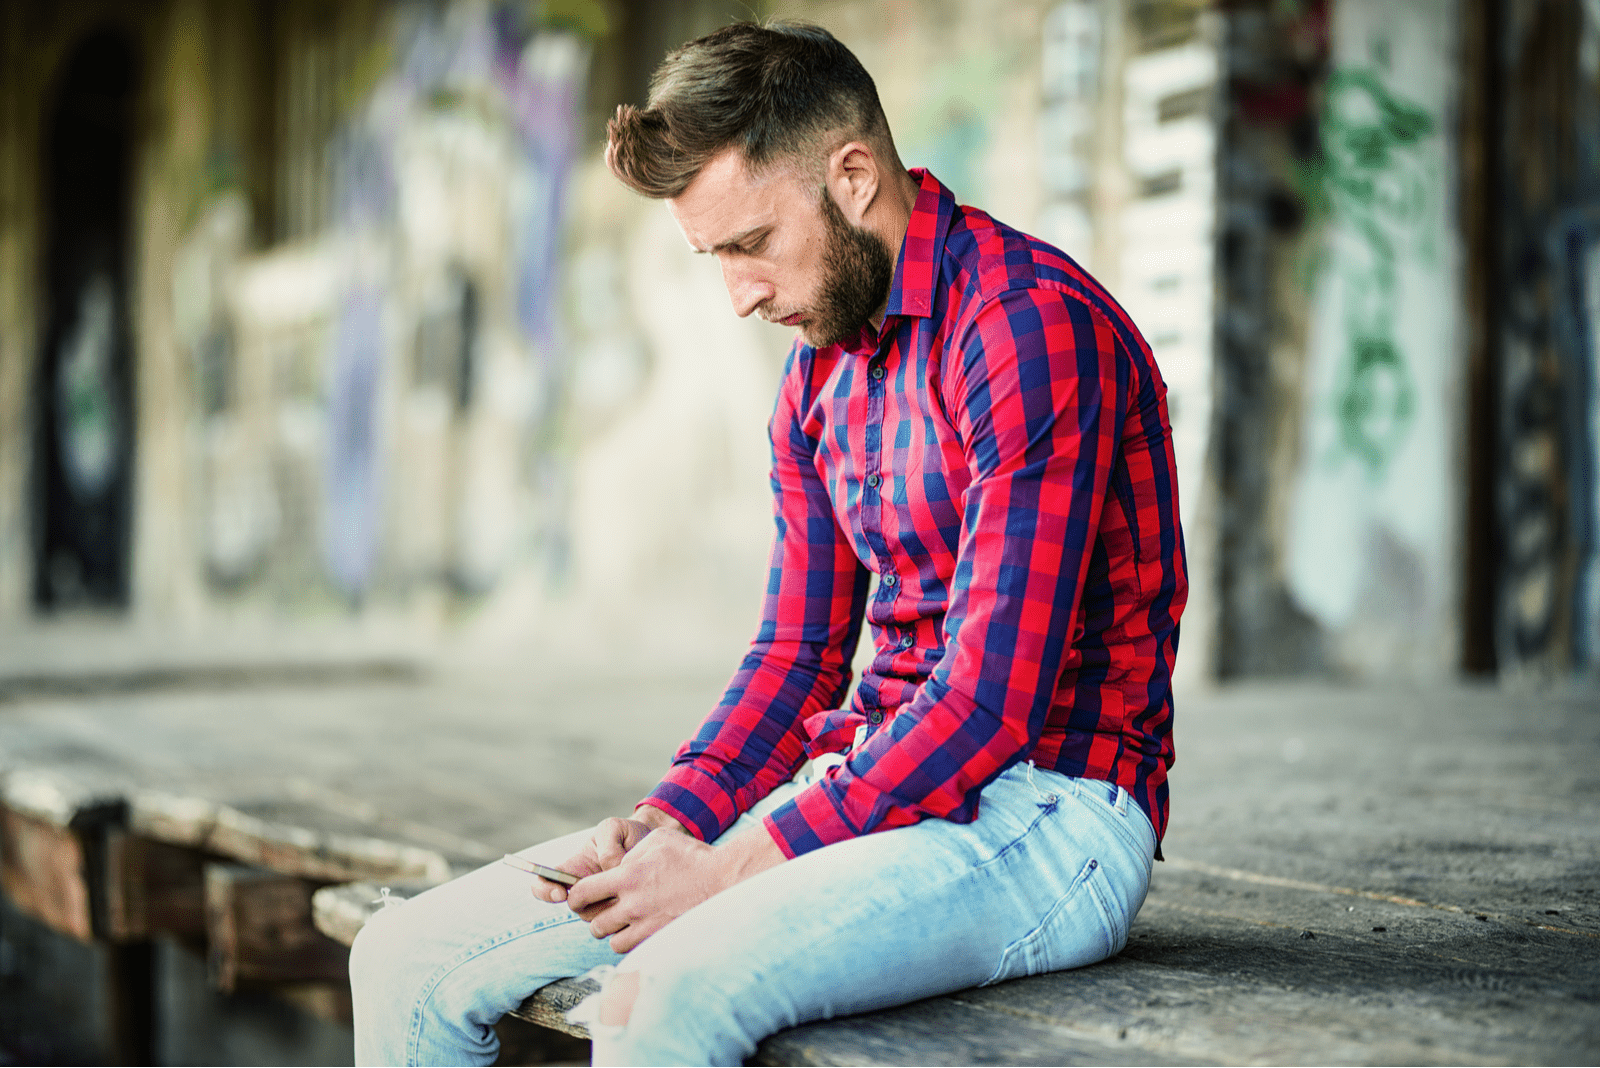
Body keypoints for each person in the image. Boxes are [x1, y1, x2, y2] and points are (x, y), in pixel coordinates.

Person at [350, 19, 1186, 1066]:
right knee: (401, 954)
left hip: (1052, 810)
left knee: (653, 996)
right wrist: (672, 821)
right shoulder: (818, 376)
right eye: (714, 258)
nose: (739, 295)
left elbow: (987, 704)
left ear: (851, 176)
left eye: (750, 244)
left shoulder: (1026, 328)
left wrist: (739, 860)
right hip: (871, 784)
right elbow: (796, 659)